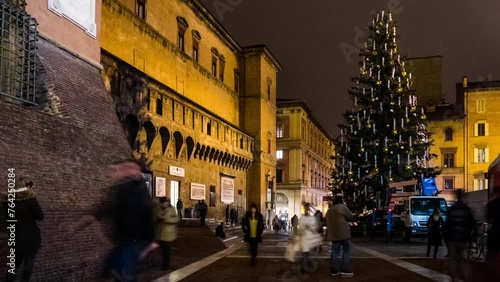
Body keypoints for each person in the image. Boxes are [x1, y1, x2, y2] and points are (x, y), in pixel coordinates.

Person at [91, 160, 156, 281]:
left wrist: (150, 241)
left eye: (127, 168)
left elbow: (146, 213)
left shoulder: (138, 189)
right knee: (114, 269)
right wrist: (95, 215)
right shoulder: (125, 188)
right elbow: (113, 207)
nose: (122, 171)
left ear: (135, 172)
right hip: (124, 240)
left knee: (125, 274)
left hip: (133, 241)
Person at [2, 177, 44, 282]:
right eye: (28, 186)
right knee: (28, 265)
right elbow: (40, 216)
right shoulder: (30, 200)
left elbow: (9, 219)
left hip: (15, 237)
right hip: (30, 238)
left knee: (13, 266)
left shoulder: (8, 202)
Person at [443, 189, 475, 282]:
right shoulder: (467, 210)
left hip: (452, 238)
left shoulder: (452, 209)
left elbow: (447, 224)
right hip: (464, 238)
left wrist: (446, 238)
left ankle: (454, 278)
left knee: (452, 259)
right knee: (465, 260)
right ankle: (467, 277)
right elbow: (471, 224)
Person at [325, 194, 354, 277]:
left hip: (333, 234)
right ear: (341, 200)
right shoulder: (342, 207)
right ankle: (344, 269)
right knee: (346, 250)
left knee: (334, 251)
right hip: (343, 233)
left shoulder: (330, 210)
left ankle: (333, 269)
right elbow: (350, 217)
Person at [154, 197, 179, 271]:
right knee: (162, 250)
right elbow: (154, 219)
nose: (165, 204)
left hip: (169, 233)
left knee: (167, 250)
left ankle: (166, 265)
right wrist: (158, 219)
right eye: (163, 202)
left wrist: (166, 219)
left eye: (166, 202)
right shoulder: (157, 209)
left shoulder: (172, 209)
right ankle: (164, 263)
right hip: (160, 233)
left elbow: (176, 219)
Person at [298, 203, 322, 273]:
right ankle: (304, 267)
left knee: (308, 254)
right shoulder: (302, 218)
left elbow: (314, 228)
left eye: (307, 209)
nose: (306, 210)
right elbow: (300, 228)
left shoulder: (312, 218)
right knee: (304, 254)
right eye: (305, 208)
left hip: (309, 238)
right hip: (304, 238)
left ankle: (306, 267)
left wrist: (309, 227)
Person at [486, 188, 500, 277]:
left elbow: (488, 217)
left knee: (491, 254)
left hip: (494, 232)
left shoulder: (491, 203)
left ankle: (492, 273)